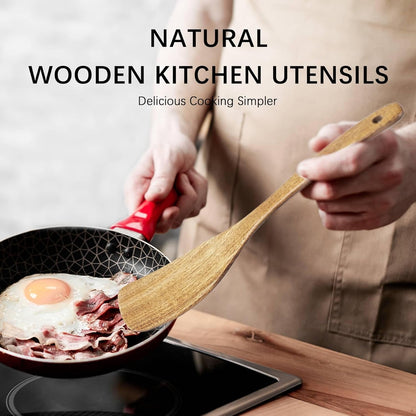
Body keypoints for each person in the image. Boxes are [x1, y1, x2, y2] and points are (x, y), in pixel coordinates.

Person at [125, 0, 416, 373]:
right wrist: (172, 128)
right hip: (226, 234)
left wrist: (411, 156)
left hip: (377, 274)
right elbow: (205, 11)